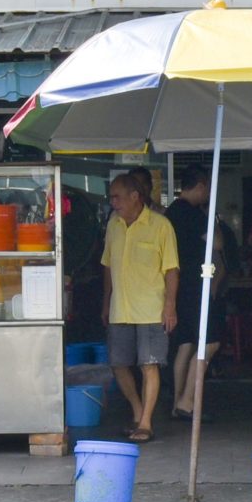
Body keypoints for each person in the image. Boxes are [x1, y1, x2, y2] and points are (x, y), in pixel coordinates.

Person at [100, 171, 179, 443]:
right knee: (118, 364)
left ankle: (146, 423)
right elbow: (107, 266)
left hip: (151, 309)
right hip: (120, 308)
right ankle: (137, 410)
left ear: (135, 196)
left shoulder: (160, 225)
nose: (113, 203)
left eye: (117, 197)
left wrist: (170, 306)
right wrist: (106, 301)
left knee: (149, 365)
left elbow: (172, 270)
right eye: (111, 198)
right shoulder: (113, 225)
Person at [164, 165, 218, 420]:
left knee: (185, 344)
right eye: (207, 188)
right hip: (196, 286)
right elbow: (217, 242)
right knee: (210, 342)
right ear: (200, 186)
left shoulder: (170, 212)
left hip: (176, 285)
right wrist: (212, 221)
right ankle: (187, 401)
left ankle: (177, 403)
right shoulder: (194, 214)